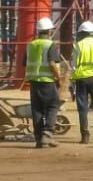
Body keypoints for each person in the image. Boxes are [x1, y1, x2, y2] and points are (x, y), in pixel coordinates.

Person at [25, 16, 66, 149]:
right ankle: (47, 134)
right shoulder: (50, 45)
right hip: (47, 81)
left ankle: (39, 138)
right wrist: (58, 78)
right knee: (53, 106)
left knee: (37, 110)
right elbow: (52, 63)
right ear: (49, 32)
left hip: (33, 82)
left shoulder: (30, 45)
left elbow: (24, 63)